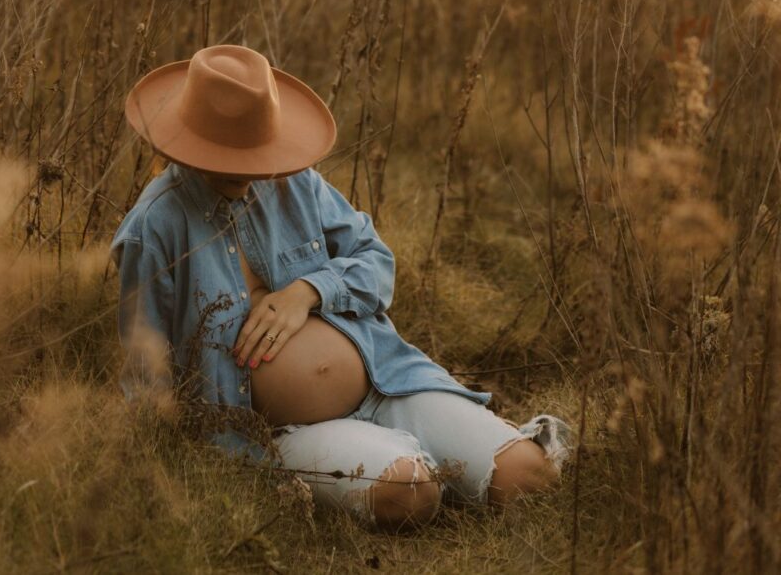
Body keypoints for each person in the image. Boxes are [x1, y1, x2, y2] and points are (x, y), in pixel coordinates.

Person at [112, 44, 571, 530]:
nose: (247, 171)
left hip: (384, 380)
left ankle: (447, 452)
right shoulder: (154, 230)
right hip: (283, 432)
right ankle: (406, 469)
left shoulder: (296, 183)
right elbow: (145, 370)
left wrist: (309, 289)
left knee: (531, 478)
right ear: (189, 140)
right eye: (229, 157)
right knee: (408, 496)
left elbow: (377, 263)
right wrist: (163, 477)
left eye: (253, 154)